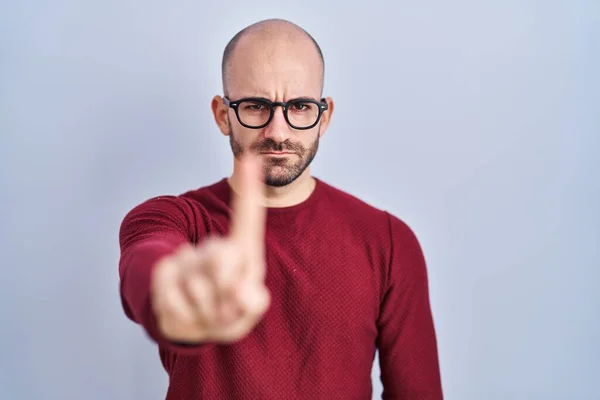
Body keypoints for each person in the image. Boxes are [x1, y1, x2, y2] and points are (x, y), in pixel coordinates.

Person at [118, 18, 444, 400]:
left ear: (324, 116)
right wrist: (170, 291)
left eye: (300, 106)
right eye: (256, 106)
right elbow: (148, 259)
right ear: (223, 115)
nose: (278, 131)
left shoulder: (388, 242)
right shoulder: (175, 219)